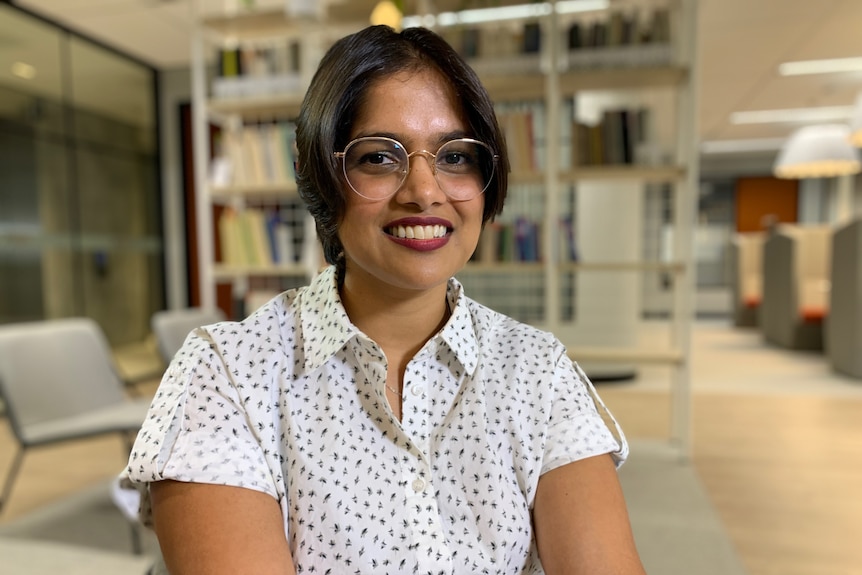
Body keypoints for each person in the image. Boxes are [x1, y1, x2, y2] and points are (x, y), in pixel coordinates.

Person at [123, 24, 646, 575]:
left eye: (456, 157)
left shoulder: (539, 370)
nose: (424, 191)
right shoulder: (229, 373)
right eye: (378, 158)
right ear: (319, 174)